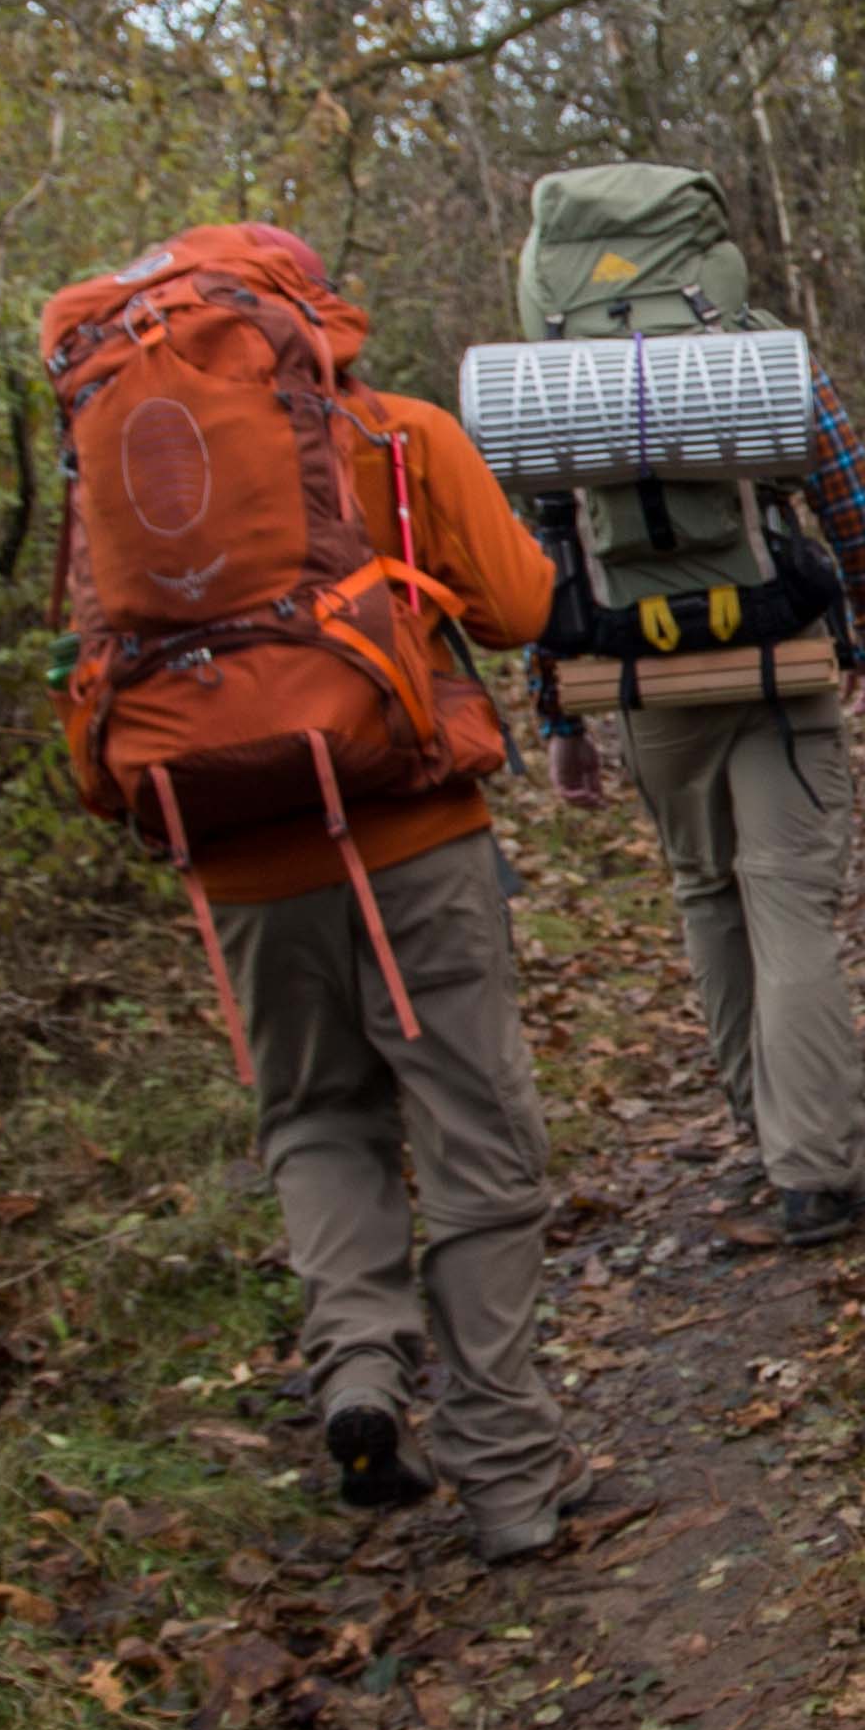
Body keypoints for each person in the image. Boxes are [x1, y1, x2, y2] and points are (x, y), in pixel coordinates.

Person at [136, 242, 591, 1556]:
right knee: (474, 1144)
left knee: (316, 1118)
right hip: (412, 840)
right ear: (310, 324)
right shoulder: (397, 438)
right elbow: (518, 606)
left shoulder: (149, 480)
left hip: (238, 867)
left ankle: (357, 1374)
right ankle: (509, 1479)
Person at [526, 328, 865, 1251]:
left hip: (644, 678)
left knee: (708, 891)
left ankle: (763, 1123)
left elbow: (541, 555)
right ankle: (813, 1167)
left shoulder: (551, 378)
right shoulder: (753, 355)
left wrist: (560, 717)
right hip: (778, 661)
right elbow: (849, 495)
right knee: (789, 906)